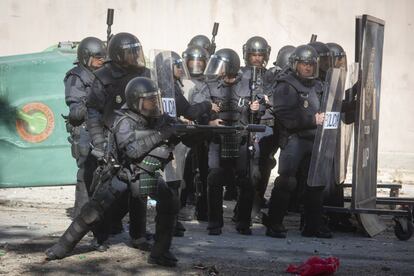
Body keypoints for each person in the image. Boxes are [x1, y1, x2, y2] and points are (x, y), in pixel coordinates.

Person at [46, 77, 180, 267]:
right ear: (136, 102)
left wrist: (178, 131)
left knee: (170, 202)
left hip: (144, 173)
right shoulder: (124, 120)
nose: (154, 105)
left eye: (155, 100)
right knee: (92, 212)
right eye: (149, 101)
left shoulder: (156, 119)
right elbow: (132, 151)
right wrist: (161, 134)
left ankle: (160, 252)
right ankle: (61, 247)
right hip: (120, 173)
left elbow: (170, 137)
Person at [86, 32, 151, 250]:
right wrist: (98, 141)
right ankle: (100, 236)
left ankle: (138, 235)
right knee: (106, 191)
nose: (133, 56)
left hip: (138, 138)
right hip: (110, 139)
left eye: (136, 51)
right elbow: (93, 111)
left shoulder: (145, 74)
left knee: (139, 188)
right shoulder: (102, 76)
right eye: (128, 52)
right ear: (116, 54)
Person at [264, 45, 332, 239]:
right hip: (294, 140)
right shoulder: (286, 85)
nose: (308, 68)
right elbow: (286, 117)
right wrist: (312, 120)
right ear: (295, 64)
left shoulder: (318, 85)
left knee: (314, 184)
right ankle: (275, 223)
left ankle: (312, 225)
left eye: (311, 64)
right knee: (287, 182)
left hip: (314, 140)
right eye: (304, 64)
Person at [202, 48, 260, 235]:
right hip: (218, 139)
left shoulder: (249, 85)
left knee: (247, 180)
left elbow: (262, 112)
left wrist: (256, 108)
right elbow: (198, 109)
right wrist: (209, 121)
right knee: (214, 178)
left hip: (241, 138)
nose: (217, 70)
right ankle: (214, 223)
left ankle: (243, 222)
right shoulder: (210, 86)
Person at [64, 36, 106, 217]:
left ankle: (107, 220)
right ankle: (81, 216)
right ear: (86, 57)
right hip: (84, 130)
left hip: (103, 129)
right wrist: (93, 102)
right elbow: (75, 110)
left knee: (107, 175)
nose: (101, 60)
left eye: (103, 56)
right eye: (97, 57)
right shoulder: (76, 76)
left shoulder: (105, 74)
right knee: (86, 173)